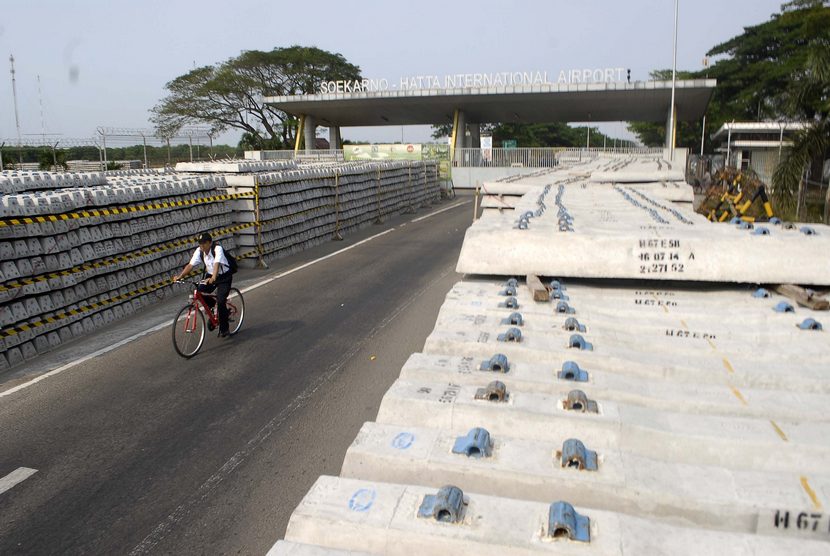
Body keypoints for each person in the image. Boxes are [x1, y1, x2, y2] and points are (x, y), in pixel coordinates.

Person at [172, 232, 233, 337]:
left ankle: (224, 328)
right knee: (200, 293)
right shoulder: (199, 251)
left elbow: (216, 263)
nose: (202, 246)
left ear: (210, 242)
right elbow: (190, 265)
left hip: (224, 277)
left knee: (221, 300)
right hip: (210, 276)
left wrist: (214, 277)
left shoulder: (217, 249)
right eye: (200, 244)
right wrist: (180, 276)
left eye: (204, 243)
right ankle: (215, 309)